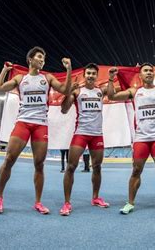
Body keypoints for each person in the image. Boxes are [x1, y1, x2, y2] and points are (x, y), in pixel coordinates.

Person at [0, 46, 72, 214]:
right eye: (39, 57)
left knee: (39, 164)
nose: (42, 60)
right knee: (9, 159)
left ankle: (38, 202)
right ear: (30, 60)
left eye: (43, 58)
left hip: (40, 124)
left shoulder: (48, 78)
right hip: (23, 122)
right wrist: (4, 70)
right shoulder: (21, 79)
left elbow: (65, 89)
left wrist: (69, 70)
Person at [108, 63, 155, 214]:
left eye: (150, 71)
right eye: (145, 71)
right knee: (136, 170)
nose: (148, 73)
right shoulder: (134, 91)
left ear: (154, 75)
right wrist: (110, 79)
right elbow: (111, 96)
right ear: (140, 76)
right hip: (141, 138)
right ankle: (130, 203)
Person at [59, 63, 110, 216]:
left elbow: (117, 90)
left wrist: (120, 76)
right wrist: (68, 92)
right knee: (71, 167)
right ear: (84, 75)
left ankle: (95, 198)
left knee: (97, 166)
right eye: (88, 73)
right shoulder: (77, 91)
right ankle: (67, 202)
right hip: (81, 133)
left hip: (97, 134)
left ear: (97, 76)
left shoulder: (101, 91)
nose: (90, 76)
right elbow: (64, 109)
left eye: (93, 74)